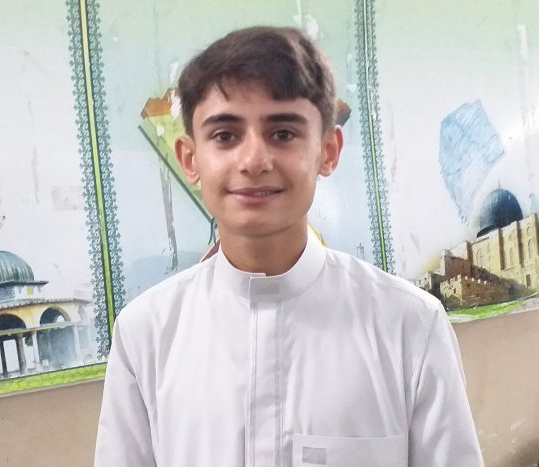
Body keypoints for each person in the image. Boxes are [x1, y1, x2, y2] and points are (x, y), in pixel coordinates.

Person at [95, 26, 483, 466]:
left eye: (282, 133)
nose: (253, 161)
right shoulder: (146, 333)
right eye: (225, 136)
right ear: (190, 159)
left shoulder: (408, 325)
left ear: (328, 151)